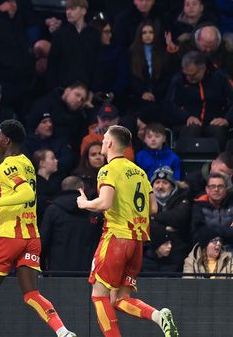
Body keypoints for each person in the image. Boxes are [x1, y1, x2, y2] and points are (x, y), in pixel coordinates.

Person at [0, 119, 76, 337]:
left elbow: (26, 193)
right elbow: (17, 192)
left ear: (7, 140)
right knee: (31, 294)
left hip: (8, 235)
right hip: (30, 235)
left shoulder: (8, 164)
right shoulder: (26, 162)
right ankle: (63, 332)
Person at [76, 125, 178, 337]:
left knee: (99, 296)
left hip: (116, 239)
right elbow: (153, 208)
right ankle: (158, 316)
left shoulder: (108, 170)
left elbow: (104, 203)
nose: (102, 142)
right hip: (137, 243)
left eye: (104, 139)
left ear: (111, 143)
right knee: (120, 299)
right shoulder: (139, 171)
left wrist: (84, 203)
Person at [166, 50, 233, 147]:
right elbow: (169, 104)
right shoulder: (178, 79)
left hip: (214, 119)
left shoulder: (220, 76)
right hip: (188, 121)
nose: (188, 78)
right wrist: (186, 116)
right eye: (186, 74)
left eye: (192, 75)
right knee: (191, 129)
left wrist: (226, 119)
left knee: (218, 130)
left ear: (202, 69)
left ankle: (218, 161)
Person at [190, 172, 233, 273]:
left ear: (226, 189)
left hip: (230, 250)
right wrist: (228, 229)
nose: (216, 189)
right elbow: (198, 235)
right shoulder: (198, 207)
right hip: (206, 251)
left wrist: (210, 232)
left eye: (220, 186)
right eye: (213, 186)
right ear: (207, 189)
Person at [39, 176, 102, 272]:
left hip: (57, 270)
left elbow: (44, 240)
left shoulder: (52, 210)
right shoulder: (92, 211)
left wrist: (43, 268)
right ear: (82, 189)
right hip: (87, 270)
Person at [46, 0, 100, 89]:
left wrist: (93, 89)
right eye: (67, 9)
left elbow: (98, 64)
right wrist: (55, 90)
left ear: (83, 11)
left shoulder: (94, 34)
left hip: (87, 88)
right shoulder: (60, 34)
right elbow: (52, 65)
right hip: (64, 89)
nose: (68, 12)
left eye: (73, 9)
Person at [149, 166, 191, 271]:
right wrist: (165, 230)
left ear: (173, 186)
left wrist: (153, 216)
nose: (160, 186)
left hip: (177, 252)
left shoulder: (182, 197)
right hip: (150, 251)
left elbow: (179, 218)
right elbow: (143, 224)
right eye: (157, 182)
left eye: (165, 183)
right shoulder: (145, 200)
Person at [22, 112, 75, 176]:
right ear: (36, 127)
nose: (49, 124)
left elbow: (67, 161)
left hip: (58, 177)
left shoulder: (60, 141)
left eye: (50, 121)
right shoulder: (26, 144)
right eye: (44, 122)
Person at [32, 149, 60, 217]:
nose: (56, 161)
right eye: (52, 158)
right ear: (42, 163)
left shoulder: (55, 183)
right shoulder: (34, 184)